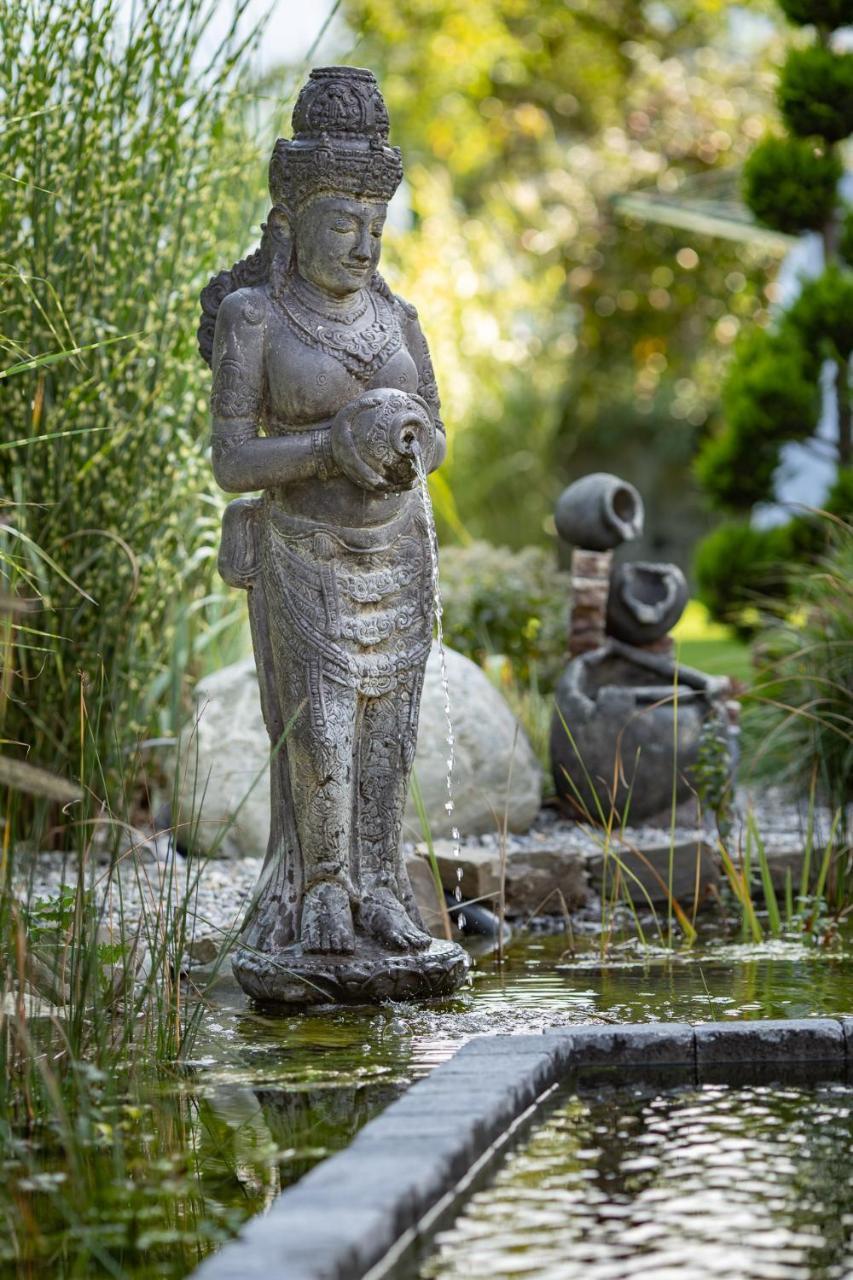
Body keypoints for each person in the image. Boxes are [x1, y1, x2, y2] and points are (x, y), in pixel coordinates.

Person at [198, 68, 459, 999]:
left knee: (390, 723)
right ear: (294, 219)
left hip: (399, 548)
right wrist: (329, 447)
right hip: (304, 551)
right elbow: (232, 460)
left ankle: (383, 888)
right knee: (319, 729)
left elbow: (434, 431)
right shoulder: (255, 318)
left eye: (374, 229)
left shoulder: (398, 317)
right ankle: (320, 890)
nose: (361, 245)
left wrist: (400, 447)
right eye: (342, 225)